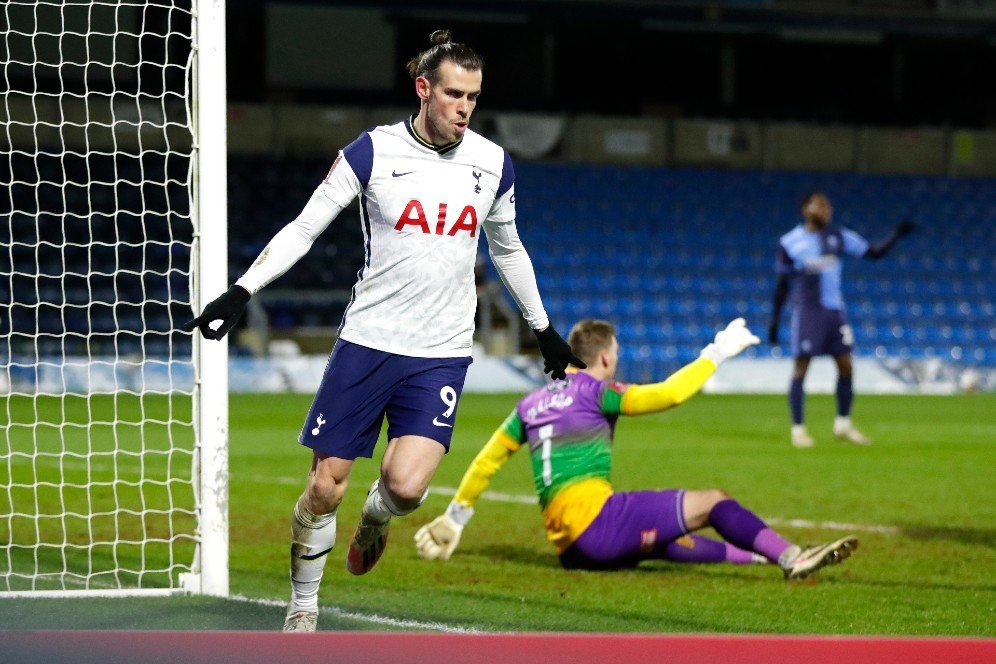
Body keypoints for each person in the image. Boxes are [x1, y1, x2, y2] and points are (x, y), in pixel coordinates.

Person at [184, 29, 585, 632]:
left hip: (441, 352)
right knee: (325, 487)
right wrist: (245, 288)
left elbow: (510, 251)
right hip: (369, 342)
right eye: (454, 93)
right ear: (423, 89)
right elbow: (304, 227)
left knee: (406, 489)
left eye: (473, 96)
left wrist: (544, 329)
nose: (465, 107)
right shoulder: (371, 153)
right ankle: (303, 607)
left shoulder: (492, 162)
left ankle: (376, 520)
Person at [415, 318, 858, 578]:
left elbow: (489, 458)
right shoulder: (596, 392)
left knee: (665, 540)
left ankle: (758, 555)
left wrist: (456, 516)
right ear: (605, 357)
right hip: (599, 526)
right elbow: (667, 395)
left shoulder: (530, 403)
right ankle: (791, 557)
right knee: (714, 502)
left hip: (571, 550)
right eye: (617, 352)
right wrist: (715, 353)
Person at [769, 191, 915, 448]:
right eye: (819, 205)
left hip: (836, 313)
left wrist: (895, 235)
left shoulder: (839, 237)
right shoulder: (791, 241)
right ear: (805, 209)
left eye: (828, 206)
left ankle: (843, 425)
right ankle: (798, 429)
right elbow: (782, 281)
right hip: (808, 312)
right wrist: (775, 320)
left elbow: (873, 253)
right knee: (802, 367)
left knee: (846, 365)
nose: (825, 210)